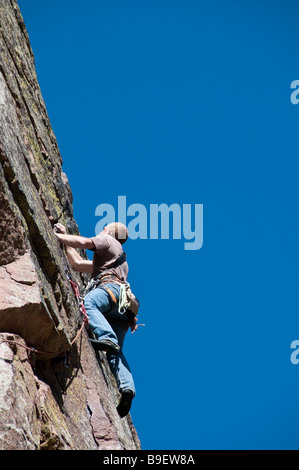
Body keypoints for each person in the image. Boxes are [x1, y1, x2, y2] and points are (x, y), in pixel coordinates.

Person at [53, 221, 136, 418]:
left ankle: (106, 337)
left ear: (109, 231)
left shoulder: (107, 240)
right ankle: (127, 388)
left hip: (110, 291)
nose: (102, 228)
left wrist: (56, 235)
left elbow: (84, 242)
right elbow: (77, 263)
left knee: (88, 303)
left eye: (105, 226)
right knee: (115, 352)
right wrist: (66, 241)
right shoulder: (116, 260)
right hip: (122, 309)